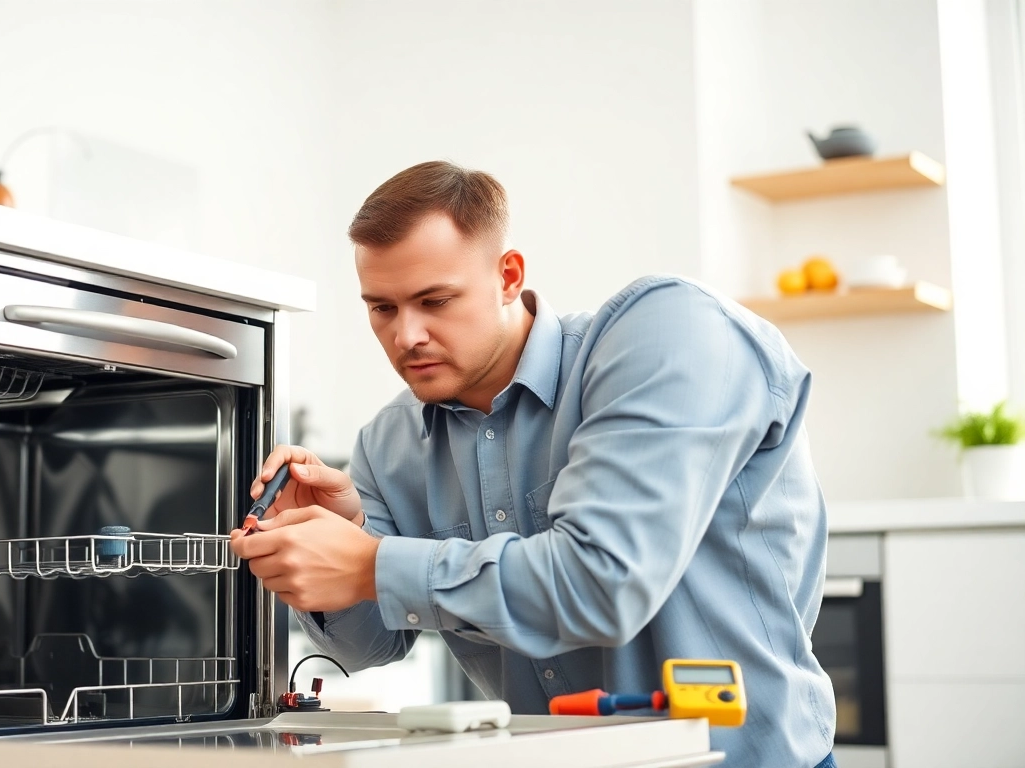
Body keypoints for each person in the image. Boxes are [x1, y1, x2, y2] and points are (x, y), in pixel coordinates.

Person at [229, 161, 837, 768]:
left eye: (434, 300)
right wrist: (338, 540)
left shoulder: (668, 335)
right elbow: (369, 646)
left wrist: (374, 564)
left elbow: (603, 582)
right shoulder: (389, 444)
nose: (406, 335)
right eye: (381, 308)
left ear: (508, 276)